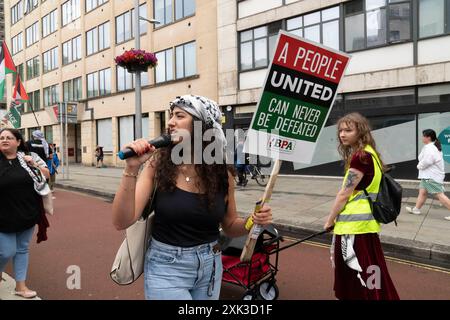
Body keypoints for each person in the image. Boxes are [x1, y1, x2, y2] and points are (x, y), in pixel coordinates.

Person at [112, 95, 272, 300]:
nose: (170, 122)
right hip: (166, 267)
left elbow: (230, 225)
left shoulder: (222, 174)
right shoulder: (158, 165)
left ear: (202, 127)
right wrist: (131, 168)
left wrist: (252, 220)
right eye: (171, 115)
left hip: (210, 267)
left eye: (179, 116)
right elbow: (121, 221)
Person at [323, 112, 399, 300]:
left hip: (352, 227)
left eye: (348, 130)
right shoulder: (370, 153)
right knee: (372, 271)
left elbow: (344, 194)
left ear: (360, 131)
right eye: (340, 130)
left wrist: (329, 220)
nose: (342, 134)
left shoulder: (360, 157)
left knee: (355, 274)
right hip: (365, 226)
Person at [0, 128, 50, 299]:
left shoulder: (29, 158)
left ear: (18, 142)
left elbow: (46, 175)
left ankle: (20, 286)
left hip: (27, 213)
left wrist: (33, 164)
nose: (4, 140)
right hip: (3, 216)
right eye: (1, 138)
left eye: (9, 137)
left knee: (22, 249)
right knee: (6, 252)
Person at [406, 129, 450, 221]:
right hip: (428, 176)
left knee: (439, 195)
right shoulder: (431, 146)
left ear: (428, 137)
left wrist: (419, 166)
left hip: (431, 176)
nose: (422, 138)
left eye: (423, 136)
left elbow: (428, 161)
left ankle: (416, 209)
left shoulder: (430, 148)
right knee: (423, 192)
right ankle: (416, 209)